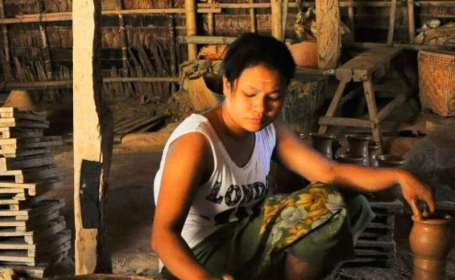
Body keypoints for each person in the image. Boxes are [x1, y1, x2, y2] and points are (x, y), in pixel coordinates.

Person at [152, 33, 435, 280]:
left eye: (273, 97)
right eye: (250, 94)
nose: (260, 108)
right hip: (196, 259)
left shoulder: (269, 129)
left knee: (354, 204)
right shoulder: (196, 143)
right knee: (327, 205)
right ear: (227, 85)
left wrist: (400, 176)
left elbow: (330, 173)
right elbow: (163, 235)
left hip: (246, 240)